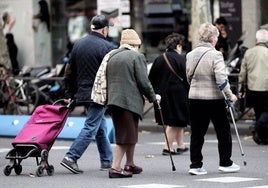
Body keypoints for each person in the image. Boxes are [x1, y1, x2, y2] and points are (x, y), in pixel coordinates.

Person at [60, 14, 115, 174]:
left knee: (100, 127)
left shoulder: (78, 44)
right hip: (99, 93)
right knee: (91, 126)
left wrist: (69, 92)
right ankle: (71, 157)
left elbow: (68, 71)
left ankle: (106, 161)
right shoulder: (107, 47)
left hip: (82, 93)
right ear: (104, 29)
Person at [186, 22, 240, 175]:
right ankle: (225, 162)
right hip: (214, 98)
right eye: (216, 36)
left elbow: (188, 76)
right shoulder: (216, 55)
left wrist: (196, 87)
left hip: (195, 97)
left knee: (197, 133)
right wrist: (231, 96)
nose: (217, 39)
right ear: (211, 38)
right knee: (223, 131)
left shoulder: (190, 54)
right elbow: (221, 79)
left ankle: (195, 165)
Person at [106, 29, 161, 178]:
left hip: (114, 101)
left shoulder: (112, 56)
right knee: (125, 137)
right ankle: (115, 168)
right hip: (128, 102)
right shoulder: (136, 57)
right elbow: (143, 81)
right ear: (135, 44)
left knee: (129, 134)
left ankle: (129, 163)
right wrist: (153, 96)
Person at [149, 33, 190, 156]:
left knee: (177, 120)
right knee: (175, 121)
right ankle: (168, 147)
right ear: (178, 46)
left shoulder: (159, 59)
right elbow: (187, 77)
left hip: (162, 95)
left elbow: (151, 78)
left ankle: (181, 145)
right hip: (178, 95)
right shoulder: (182, 59)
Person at [238, 29, 268, 144]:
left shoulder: (249, 52)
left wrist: (241, 87)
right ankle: (257, 126)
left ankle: (262, 137)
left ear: (256, 40)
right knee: (265, 112)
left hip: (252, 88)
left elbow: (242, 72)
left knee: (259, 111)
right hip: (266, 87)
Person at [32, 0, 51, 66]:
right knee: (42, 51)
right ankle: (43, 64)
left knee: (44, 51)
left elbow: (37, 17)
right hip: (42, 35)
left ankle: (45, 64)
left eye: (39, 6)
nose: (39, 8)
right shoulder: (42, 16)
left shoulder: (43, 16)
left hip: (43, 36)